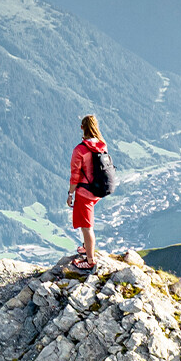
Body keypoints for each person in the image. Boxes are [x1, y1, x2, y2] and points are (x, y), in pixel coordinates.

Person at [67, 114, 110, 271]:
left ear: (82, 127)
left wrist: (70, 193)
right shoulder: (102, 145)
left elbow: (75, 175)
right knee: (86, 221)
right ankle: (86, 247)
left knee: (87, 226)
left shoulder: (80, 149)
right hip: (98, 190)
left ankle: (90, 261)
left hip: (84, 192)